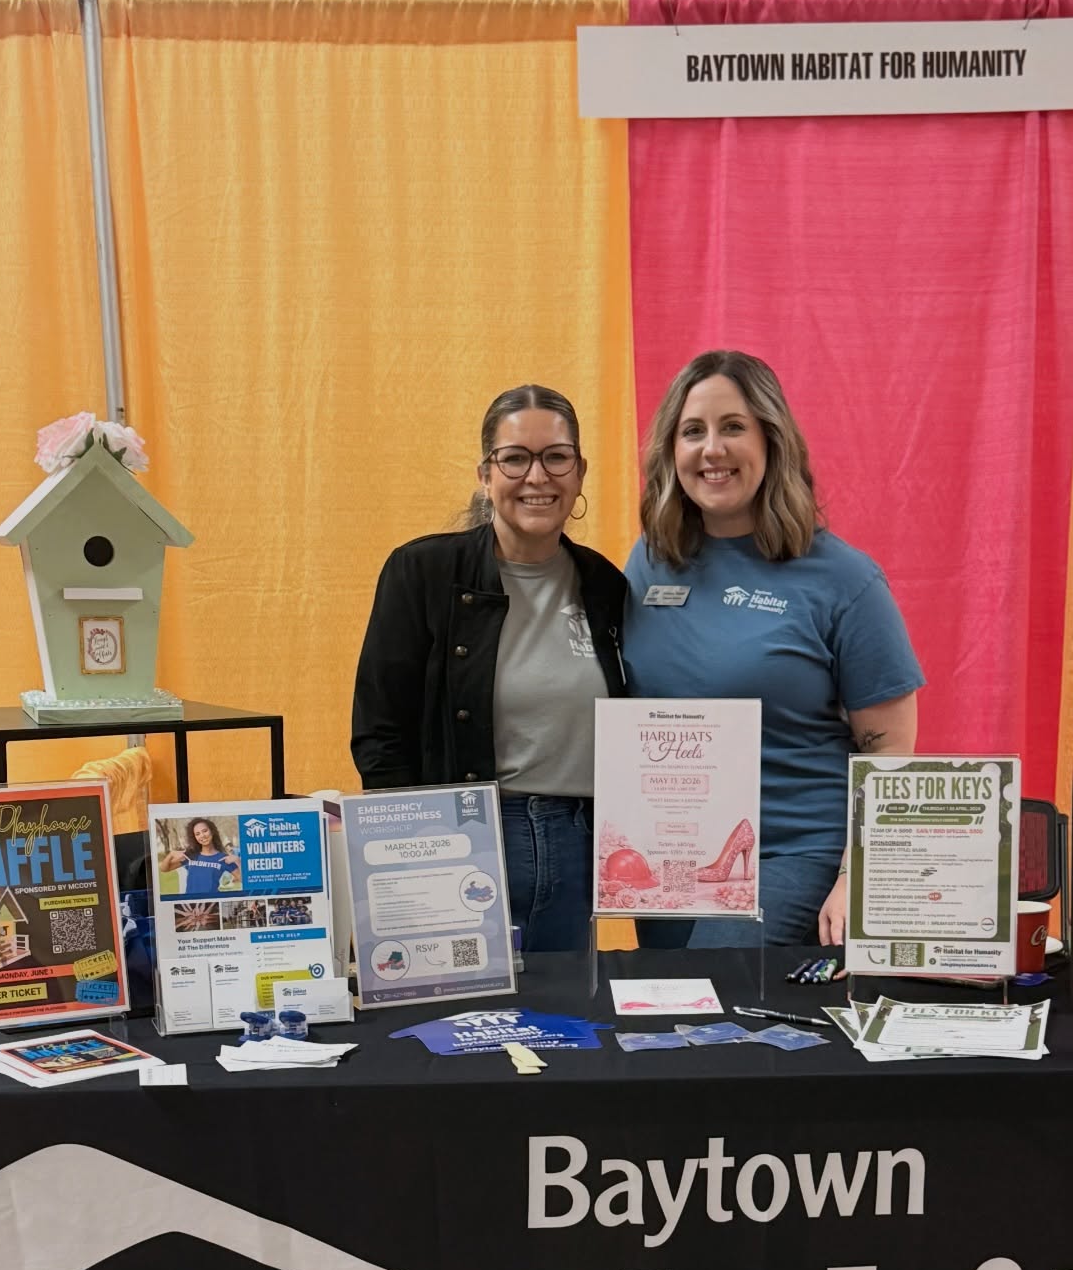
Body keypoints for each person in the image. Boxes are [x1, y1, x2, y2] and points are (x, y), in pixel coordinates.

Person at [624, 350, 923, 948]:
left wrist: (857, 875)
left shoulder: (844, 579)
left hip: (793, 851)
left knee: (720, 977)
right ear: (670, 451)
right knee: (670, 1022)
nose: (712, 449)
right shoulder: (649, 563)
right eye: (692, 431)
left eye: (733, 427)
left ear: (772, 439)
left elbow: (889, 746)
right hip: (672, 860)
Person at [351, 385, 626, 951]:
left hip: (579, 843)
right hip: (460, 842)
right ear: (485, 474)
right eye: (515, 458)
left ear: (579, 473)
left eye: (556, 457)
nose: (537, 476)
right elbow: (380, 731)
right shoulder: (422, 572)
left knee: (565, 1023)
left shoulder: (606, 585)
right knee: (459, 1027)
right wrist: (408, 854)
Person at [158, 818, 240, 896]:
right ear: (195, 837)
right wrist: (171, 854)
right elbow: (164, 869)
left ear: (212, 831)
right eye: (197, 834)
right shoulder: (191, 855)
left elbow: (244, 880)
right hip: (191, 902)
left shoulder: (223, 858)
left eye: (205, 831)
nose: (202, 836)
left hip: (212, 902)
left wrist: (238, 860)